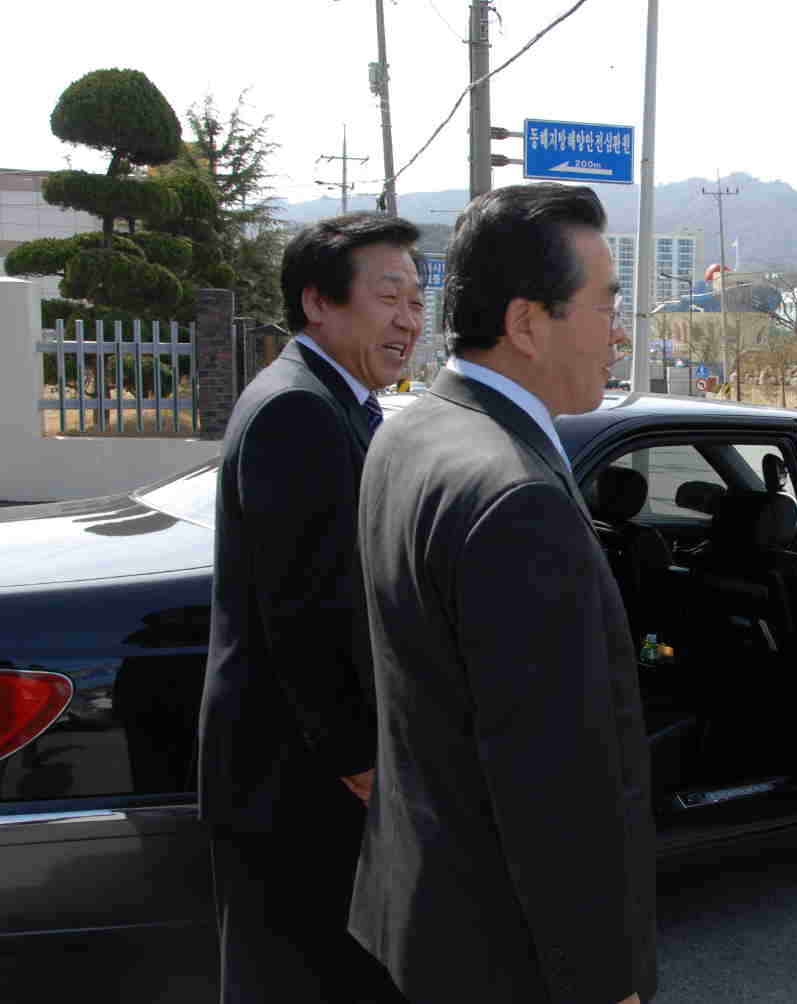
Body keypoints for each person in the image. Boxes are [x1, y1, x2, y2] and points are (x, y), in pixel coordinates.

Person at [350, 183, 653, 1004]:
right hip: (505, 956)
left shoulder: (410, 431)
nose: (621, 332)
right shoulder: (516, 495)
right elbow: (552, 784)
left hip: (428, 913)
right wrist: (602, 983)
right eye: (606, 305)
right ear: (526, 323)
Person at [198, 212, 422, 1003]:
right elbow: (305, 609)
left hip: (302, 769)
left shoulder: (337, 400)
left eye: (417, 300)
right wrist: (359, 758)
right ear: (318, 302)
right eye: (388, 297)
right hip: (295, 780)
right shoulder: (298, 410)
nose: (409, 320)